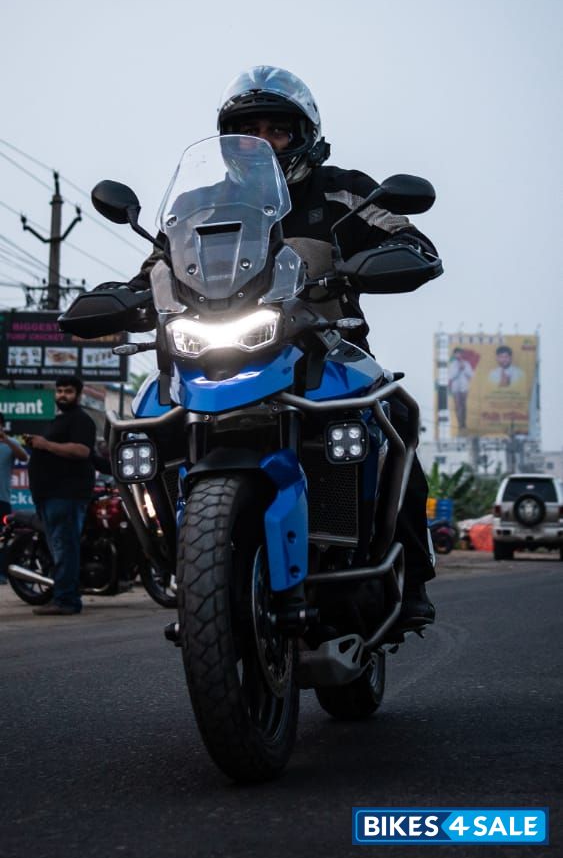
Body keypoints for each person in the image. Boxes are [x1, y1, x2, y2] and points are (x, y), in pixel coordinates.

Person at [127, 65, 441, 626]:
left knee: (391, 416)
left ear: (305, 135)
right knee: (149, 422)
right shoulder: (200, 201)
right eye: (250, 130)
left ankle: (410, 573)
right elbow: (157, 265)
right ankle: (170, 554)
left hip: (321, 348)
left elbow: (410, 238)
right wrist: (122, 295)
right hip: (213, 350)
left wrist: (386, 259)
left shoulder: (342, 190)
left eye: (278, 129)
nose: (265, 141)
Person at [26, 376, 96, 615]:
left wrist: (45, 445)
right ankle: (64, 596)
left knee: (65, 549)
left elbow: (82, 450)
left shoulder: (80, 420)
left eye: (68, 391)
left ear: (78, 394)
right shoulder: (59, 420)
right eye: (59, 391)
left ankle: (66, 600)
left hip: (66, 495)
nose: (62, 395)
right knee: (60, 549)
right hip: (49, 496)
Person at [0, 413, 29, 583]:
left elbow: (23, 457)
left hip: (2, 499)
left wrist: (6, 440)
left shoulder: (10, 444)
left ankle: (2, 573)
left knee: (3, 539)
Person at [448, 347, 474, 432]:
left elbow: (470, 375)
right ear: (455, 355)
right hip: (456, 388)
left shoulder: (466, 364)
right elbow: (451, 376)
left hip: (464, 388)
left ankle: (464, 423)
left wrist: (464, 368)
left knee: (463, 406)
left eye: (460, 353)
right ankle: (459, 424)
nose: (459, 355)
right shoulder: (452, 364)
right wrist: (459, 369)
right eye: (457, 353)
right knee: (458, 406)